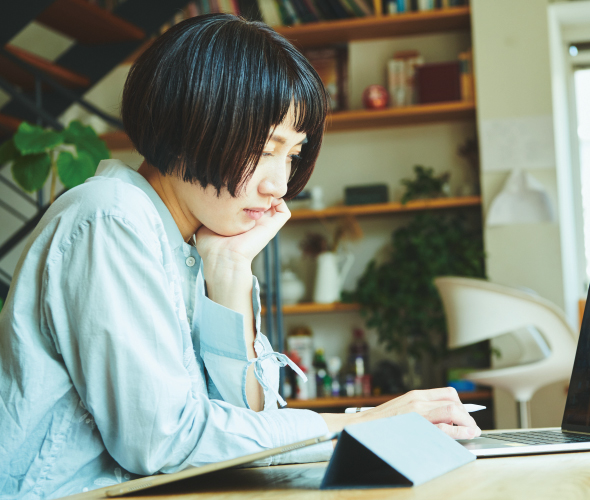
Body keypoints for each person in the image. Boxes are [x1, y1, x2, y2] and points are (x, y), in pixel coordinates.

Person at [0, 14, 480, 499]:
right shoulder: (111, 218)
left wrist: (229, 272)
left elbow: (250, 426)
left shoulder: (183, 243)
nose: (279, 185)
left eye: (292, 155)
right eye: (265, 148)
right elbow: (161, 440)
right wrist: (367, 422)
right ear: (189, 126)